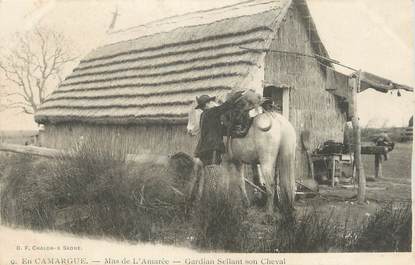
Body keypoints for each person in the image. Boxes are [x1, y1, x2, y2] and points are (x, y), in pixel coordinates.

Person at [194, 92, 243, 166]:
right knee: (214, 168)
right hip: (213, 146)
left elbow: (215, 128)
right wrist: (238, 95)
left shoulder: (203, 115)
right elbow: (225, 106)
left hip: (203, 148)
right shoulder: (212, 112)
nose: (212, 103)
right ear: (207, 104)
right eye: (211, 102)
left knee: (207, 169)